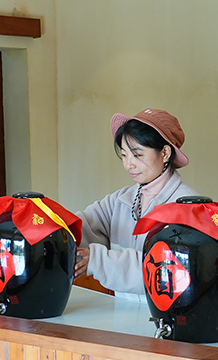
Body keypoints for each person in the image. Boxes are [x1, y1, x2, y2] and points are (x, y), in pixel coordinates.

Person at [74, 108, 197, 301]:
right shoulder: (121, 199)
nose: (128, 164)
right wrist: (48, 229)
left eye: (137, 155)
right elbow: (81, 225)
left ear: (165, 153)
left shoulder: (186, 207)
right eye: (124, 155)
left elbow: (162, 270)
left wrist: (97, 260)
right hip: (122, 311)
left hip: (164, 314)